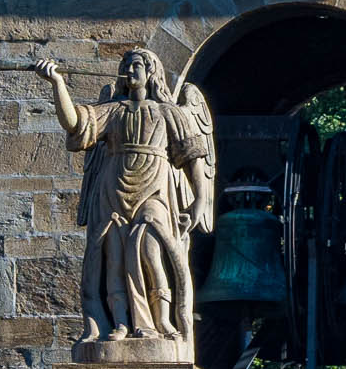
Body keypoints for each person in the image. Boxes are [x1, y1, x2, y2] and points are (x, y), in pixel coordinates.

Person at [40, 49, 215, 347]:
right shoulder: (114, 110)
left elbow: (194, 156)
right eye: (126, 65)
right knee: (115, 257)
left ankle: (160, 321)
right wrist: (56, 83)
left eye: (137, 65)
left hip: (154, 186)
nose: (131, 70)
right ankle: (121, 323)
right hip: (112, 187)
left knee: (148, 250)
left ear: (151, 72)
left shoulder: (168, 112)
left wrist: (201, 200)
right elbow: (76, 124)